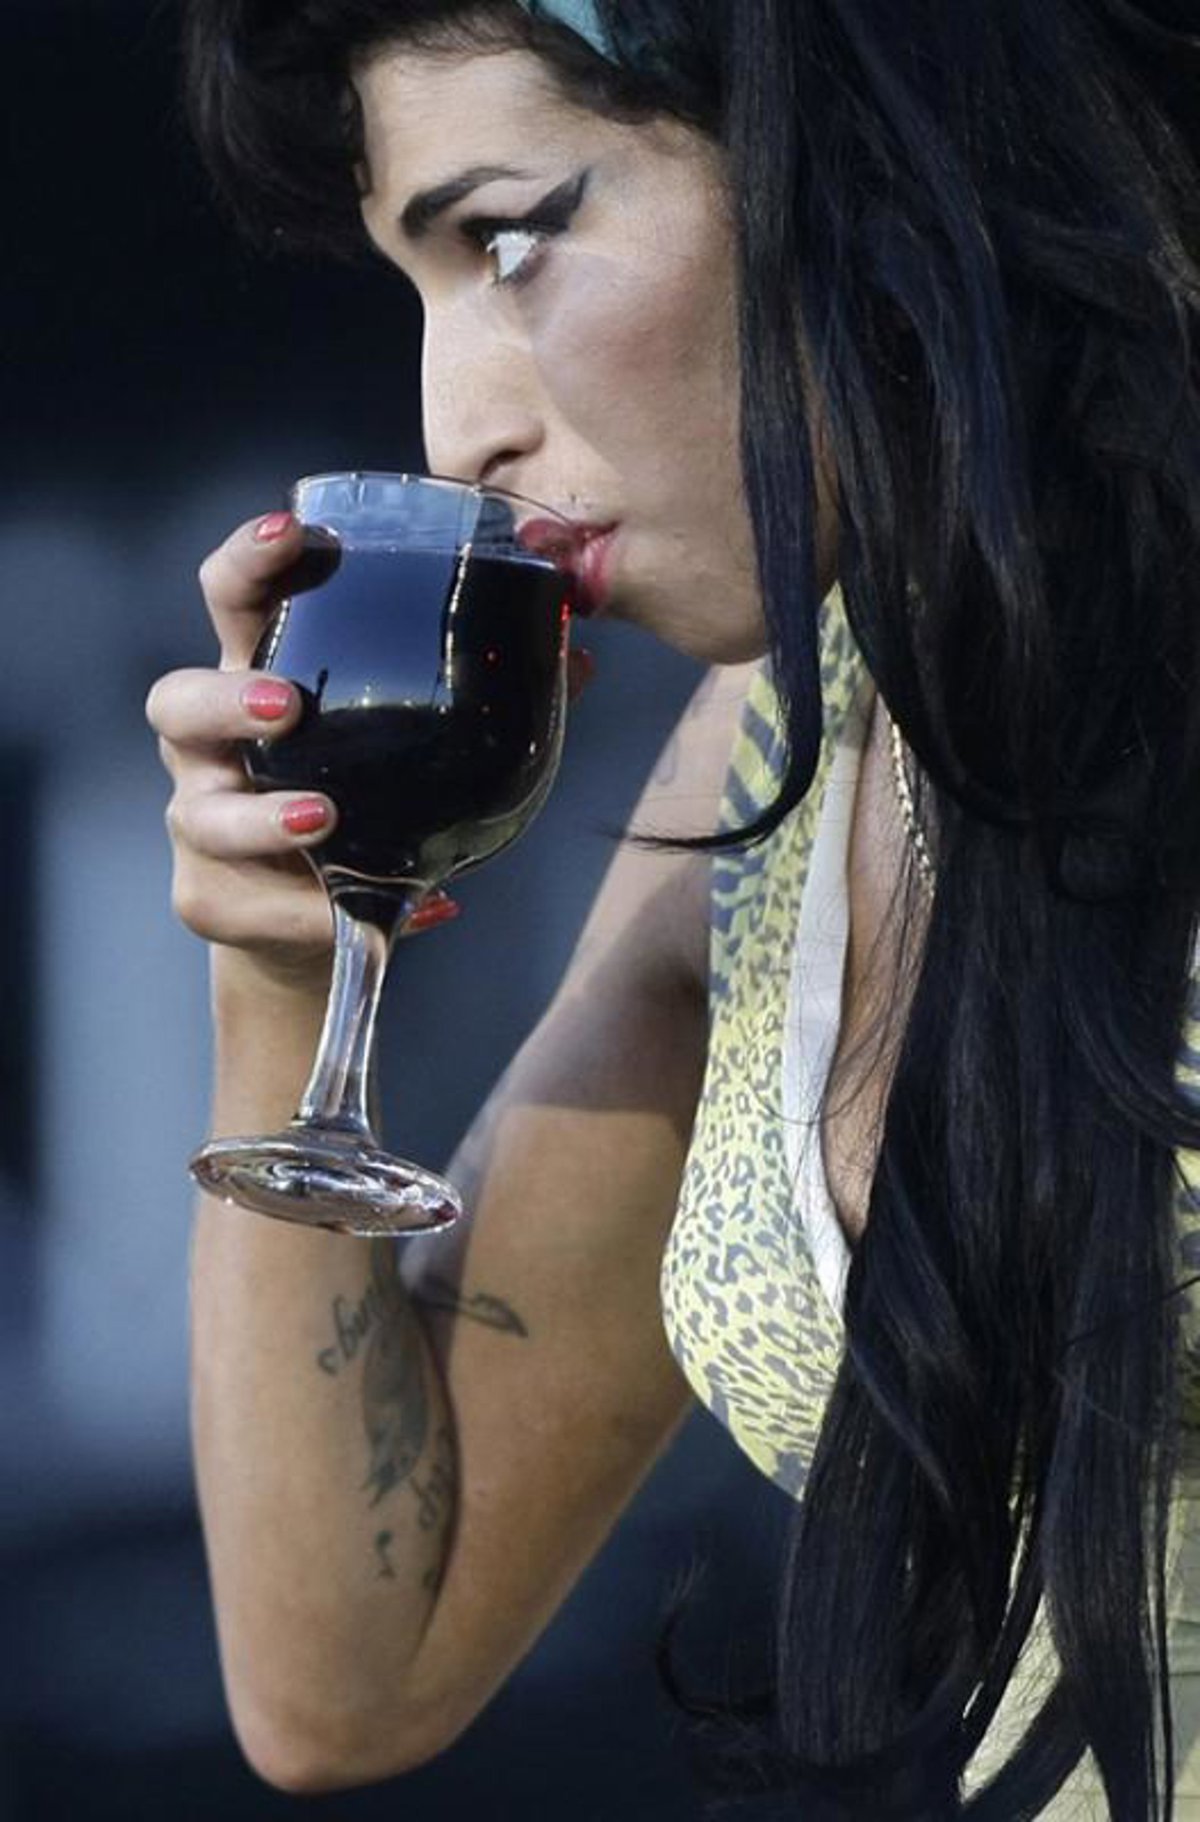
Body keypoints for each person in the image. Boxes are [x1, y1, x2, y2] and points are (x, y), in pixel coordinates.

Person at [145, 0, 1200, 1814]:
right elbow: (349, 1672)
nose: (457, 427)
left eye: (509, 240)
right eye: (417, 285)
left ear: (845, 128)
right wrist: (276, 961)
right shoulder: (784, 733)